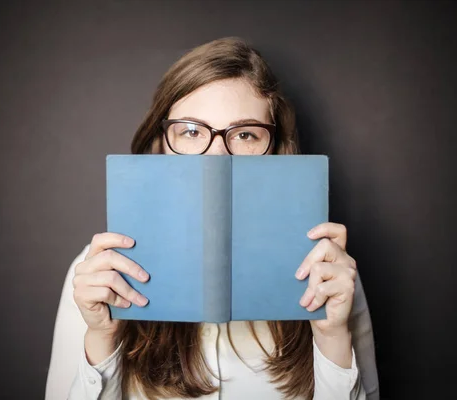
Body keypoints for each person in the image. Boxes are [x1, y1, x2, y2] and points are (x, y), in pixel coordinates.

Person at [45, 37, 379, 400]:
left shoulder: (330, 274)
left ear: (277, 150)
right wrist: (101, 339)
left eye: (246, 134)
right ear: (161, 143)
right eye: (191, 131)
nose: (218, 156)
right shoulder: (99, 274)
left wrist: (332, 339)